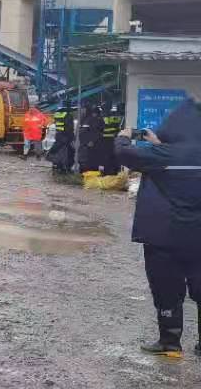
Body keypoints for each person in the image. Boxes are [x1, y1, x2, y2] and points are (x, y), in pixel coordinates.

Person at [114, 101, 201, 357]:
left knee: (167, 288)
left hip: (164, 237)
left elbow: (123, 152)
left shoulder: (160, 156)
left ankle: (170, 343)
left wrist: (124, 135)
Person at [76, 100, 105, 173]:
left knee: (89, 162)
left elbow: (96, 132)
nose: (82, 111)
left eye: (83, 109)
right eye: (81, 109)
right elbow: (80, 131)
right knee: (82, 160)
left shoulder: (92, 119)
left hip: (89, 145)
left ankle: (89, 173)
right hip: (83, 144)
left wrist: (92, 141)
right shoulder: (83, 119)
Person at [48, 102, 76, 173]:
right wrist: (72, 138)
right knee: (69, 152)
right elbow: (69, 128)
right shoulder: (68, 115)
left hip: (58, 136)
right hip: (66, 137)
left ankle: (57, 166)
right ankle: (66, 167)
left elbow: (57, 124)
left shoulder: (57, 114)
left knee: (58, 151)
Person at [100, 98, 124, 175]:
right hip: (113, 138)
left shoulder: (102, 116)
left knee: (106, 156)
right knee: (112, 155)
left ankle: (108, 171)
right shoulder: (115, 116)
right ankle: (112, 171)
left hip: (105, 139)